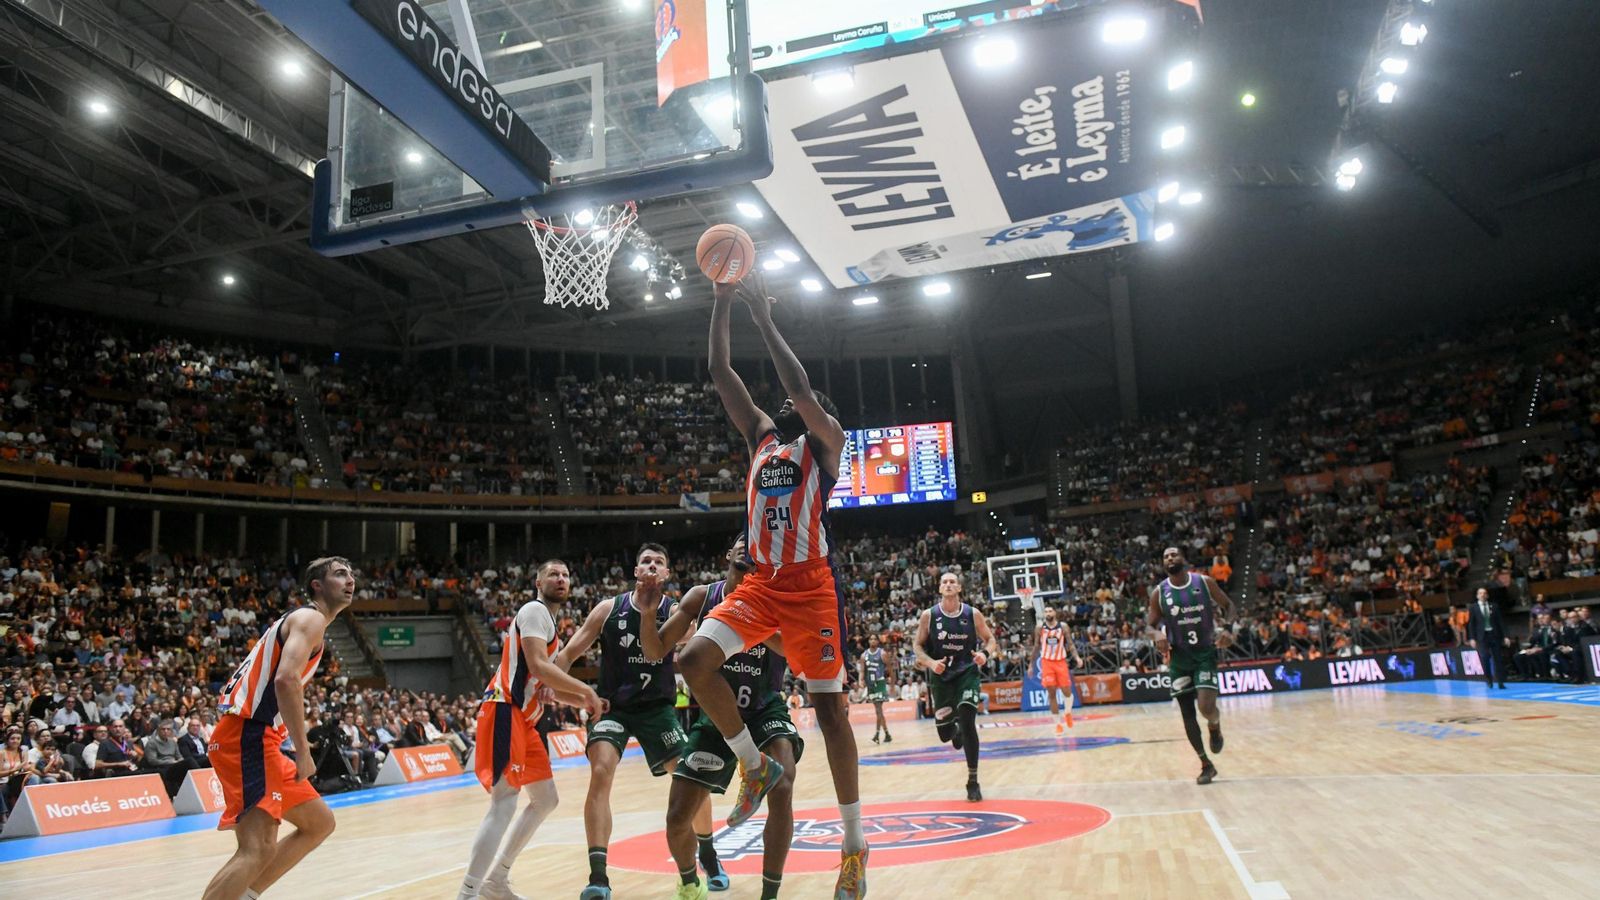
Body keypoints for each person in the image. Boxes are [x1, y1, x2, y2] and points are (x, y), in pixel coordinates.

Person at [677, 274, 868, 898]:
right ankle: (753, 765)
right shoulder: (761, 440)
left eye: (801, 404)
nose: (789, 404)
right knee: (692, 660)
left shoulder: (827, 445)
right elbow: (719, 370)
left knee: (831, 714)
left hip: (811, 588)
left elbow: (800, 389)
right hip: (761, 584)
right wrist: (722, 301)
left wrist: (764, 317)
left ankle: (854, 845)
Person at [656, 536, 802, 900]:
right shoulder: (701, 597)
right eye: (741, 541)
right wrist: (647, 608)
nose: (747, 546)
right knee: (677, 818)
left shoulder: (777, 597)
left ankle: (770, 894)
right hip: (715, 718)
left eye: (755, 544)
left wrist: (746, 622)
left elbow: (794, 650)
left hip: (763, 709)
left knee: (783, 785)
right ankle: (689, 881)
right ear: (728, 554)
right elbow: (658, 648)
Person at [200, 556, 355, 900]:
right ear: (317, 585)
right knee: (257, 847)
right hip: (248, 735)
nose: (350, 580)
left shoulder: (304, 622)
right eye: (340, 574)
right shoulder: (311, 618)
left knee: (319, 823)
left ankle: (245, 895)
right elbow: (286, 680)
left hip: (258, 737)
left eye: (351, 575)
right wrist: (302, 751)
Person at [458, 559, 605, 900]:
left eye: (565, 574)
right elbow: (539, 666)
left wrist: (586, 701)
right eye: (553, 574)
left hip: (524, 719)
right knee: (505, 802)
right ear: (538, 583)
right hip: (504, 708)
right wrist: (586, 690)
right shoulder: (535, 611)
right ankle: (468, 894)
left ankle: (496, 880)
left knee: (545, 799)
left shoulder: (549, 627)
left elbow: (546, 687)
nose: (561, 578)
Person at [557, 544, 688, 900]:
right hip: (613, 707)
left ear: (666, 574)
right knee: (601, 770)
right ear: (635, 571)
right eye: (646, 561)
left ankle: (705, 856)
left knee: (688, 776)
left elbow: (693, 639)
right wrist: (553, 686)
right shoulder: (608, 609)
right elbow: (567, 655)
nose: (652, 566)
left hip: (657, 708)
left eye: (659, 562)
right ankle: (598, 877)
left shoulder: (675, 611)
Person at [1146, 547, 1235, 785]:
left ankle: (1214, 725)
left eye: (1174, 554)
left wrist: (1228, 629)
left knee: (1206, 707)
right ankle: (1206, 764)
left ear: (1183, 558)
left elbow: (1229, 606)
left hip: (1204, 654)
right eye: (1165, 556)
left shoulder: (1203, 582)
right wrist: (1156, 635)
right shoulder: (1159, 592)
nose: (1170, 558)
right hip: (1179, 659)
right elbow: (1149, 626)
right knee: (1187, 713)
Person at [914, 571, 999, 802]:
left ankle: (973, 781)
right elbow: (917, 646)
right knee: (945, 735)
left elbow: (991, 640)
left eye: (952, 581)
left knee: (968, 717)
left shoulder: (973, 613)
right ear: (939, 588)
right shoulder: (929, 615)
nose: (949, 584)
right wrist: (931, 663)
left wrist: (984, 654)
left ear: (959, 587)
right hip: (941, 677)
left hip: (967, 672)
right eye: (945, 582)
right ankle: (956, 730)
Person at [1035, 606, 1084, 734]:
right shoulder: (1039, 628)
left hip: (1060, 661)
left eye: (1050, 611)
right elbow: (1036, 646)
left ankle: (1067, 712)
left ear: (1055, 613)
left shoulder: (1063, 626)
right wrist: (1030, 664)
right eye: (1046, 611)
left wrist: (1077, 658)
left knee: (1066, 691)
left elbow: (1070, 644)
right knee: (1051, 694)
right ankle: (1058, 724)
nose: (1048, 613)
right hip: (1047, 662)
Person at [1467, 587, 1508, 689]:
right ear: (1477, 596)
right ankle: (1489, 679)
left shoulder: (1494, 606)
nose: (1483, 595)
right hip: (1482, 636)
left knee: (1498, 658)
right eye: (1480, 593)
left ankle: (1500, 681)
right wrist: (1472, 638)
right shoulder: (1473, 607)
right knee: (1485, 657)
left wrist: (1505, 636)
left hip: (1494, 634)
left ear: (1487, 595)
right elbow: (1471, 624)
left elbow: (1500, 622)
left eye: (1484, 593)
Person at [858, 634, 896, 745]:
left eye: (875, 639)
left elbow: (891, 670)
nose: (873, 640)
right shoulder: (864, 655)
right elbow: (862, 671)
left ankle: (877, 735)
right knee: (878, 711)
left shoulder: (882, 653)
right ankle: (887, 735)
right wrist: (860, 680)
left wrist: (892, 686)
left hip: (880, 683)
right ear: (868, 641)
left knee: (878, 710)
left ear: (878, 642)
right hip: (870, 685)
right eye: (871, 639)